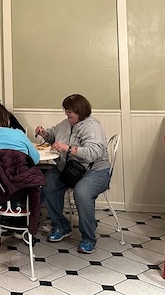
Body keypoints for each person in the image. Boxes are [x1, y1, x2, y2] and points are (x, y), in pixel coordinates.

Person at [36, 94, 110, 254]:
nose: (67, 114)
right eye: (66, 111)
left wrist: (68, 148)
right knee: (47, 183)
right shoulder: (66, 123)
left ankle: (89, 237)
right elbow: (54, 134)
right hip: (70, 169)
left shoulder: (92, 127)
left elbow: (93, 153)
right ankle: (61, 226)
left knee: (82, 193)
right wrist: (45, 133)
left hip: (95, 171)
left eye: (70, 112)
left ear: (80, 111)